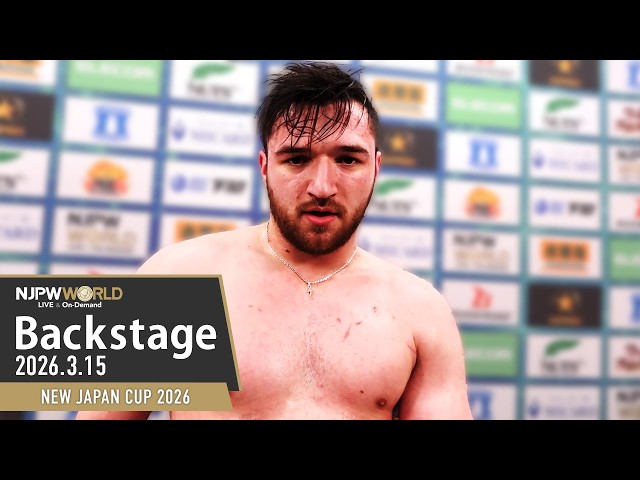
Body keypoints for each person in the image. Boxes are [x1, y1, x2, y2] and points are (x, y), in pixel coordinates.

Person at [75, 62, 473, 420]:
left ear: (376, 168)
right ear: (265, 166)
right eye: (297, 159)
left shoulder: (421, 310)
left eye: (348, 159)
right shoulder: (177, 278)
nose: (322, 187)